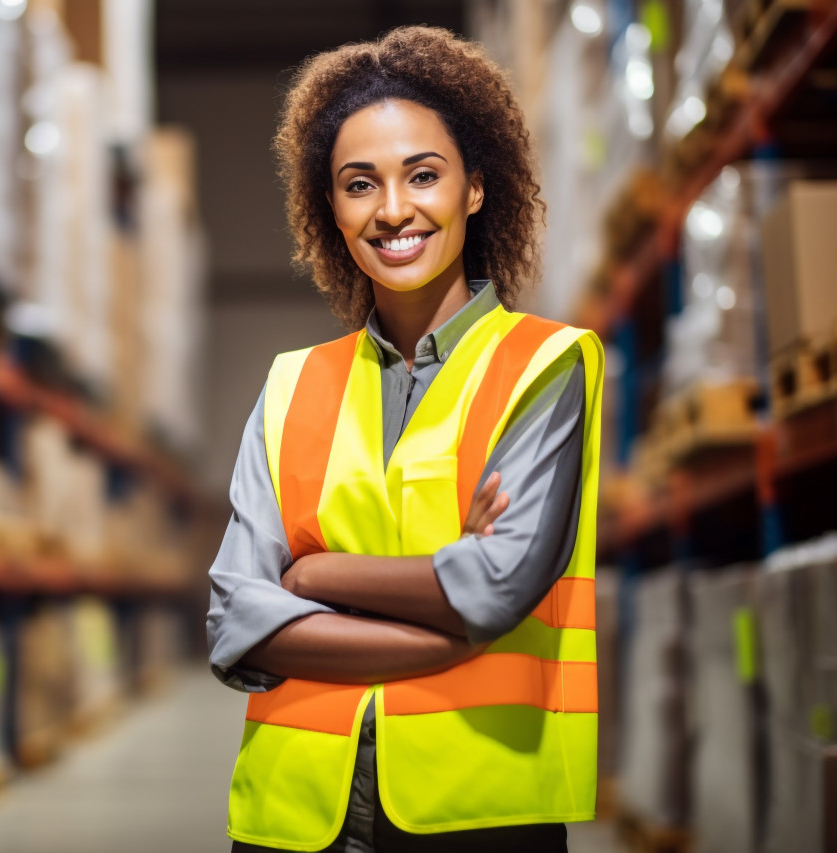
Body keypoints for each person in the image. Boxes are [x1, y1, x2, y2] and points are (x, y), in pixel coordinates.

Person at [206, 26, 604, 853]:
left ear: (475, 189)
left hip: (477, 814)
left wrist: (316, 573)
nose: (392, 210)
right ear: (332, 207)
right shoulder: (291, 384)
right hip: (296, 817)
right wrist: (451, 624)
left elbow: (497, 589)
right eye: (360, 185)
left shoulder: (544, 366)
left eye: (423, 175)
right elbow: (237, 616)